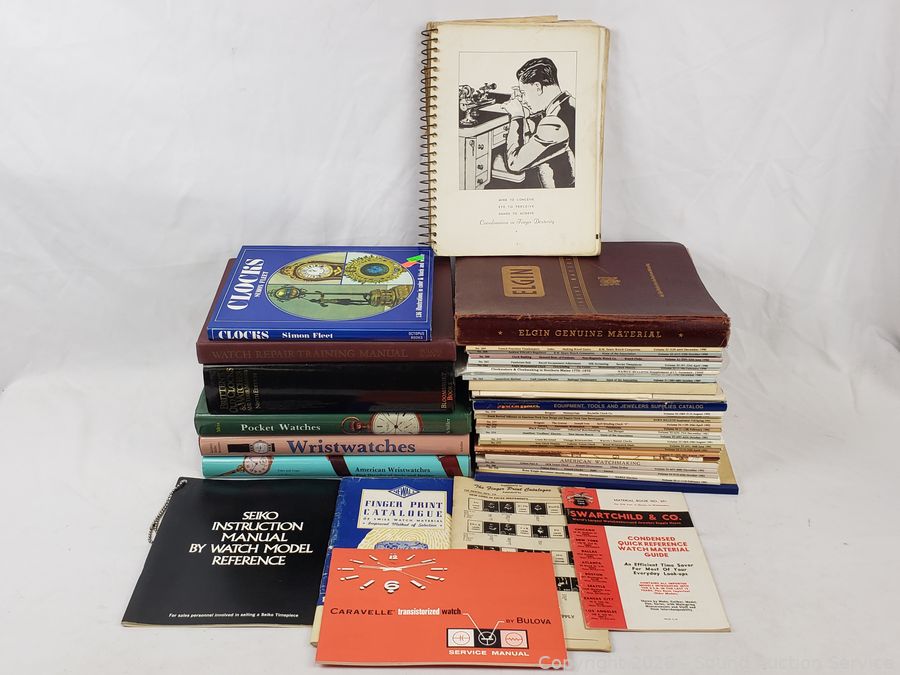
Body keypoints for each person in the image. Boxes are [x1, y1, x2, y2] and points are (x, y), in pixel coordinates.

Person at [500, 57, 576, 188]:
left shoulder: (555, 123)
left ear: (538, 87)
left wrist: (517, 116)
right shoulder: (570, 103)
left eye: (524, 93)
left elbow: (514, 164)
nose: (524, 100)